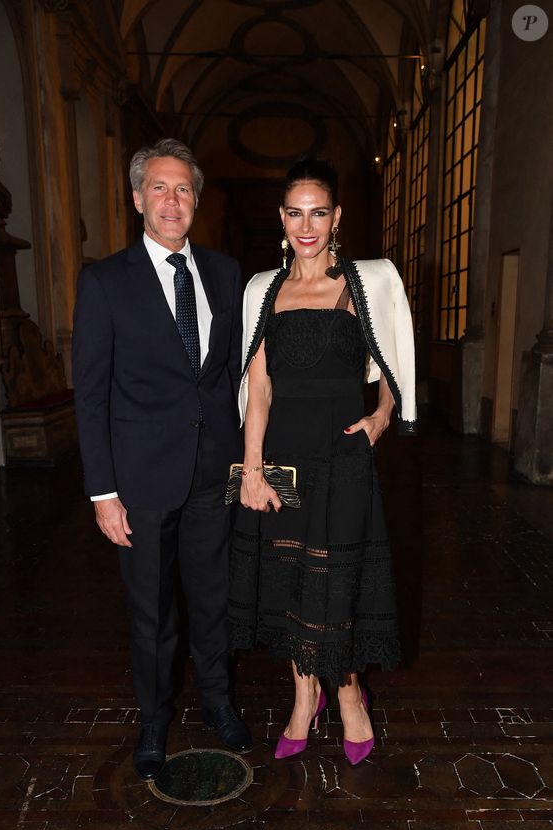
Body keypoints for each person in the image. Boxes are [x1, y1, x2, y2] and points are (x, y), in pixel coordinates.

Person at [72, 138, 252, 781]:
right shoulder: (104, 281)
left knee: (214, 599)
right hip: (140, 481)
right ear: (136, 197)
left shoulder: (226, 273)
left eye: (183, 190)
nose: (172, 201)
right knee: (152, 610)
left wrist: (247, 458)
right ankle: (153, 721)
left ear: (196, 200)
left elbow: (231, 373)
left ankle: (219, 703)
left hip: (214, 471)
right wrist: (103, 492)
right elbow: (90, 394)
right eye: (159, 188)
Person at [228, 156, 416, 766]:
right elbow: (258, 388)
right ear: (281, 218)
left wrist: (382, 418)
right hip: (283, 463)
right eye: (294, 212)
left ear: (337, 218)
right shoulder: (265, 289)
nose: (305, 225)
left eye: (318, 212)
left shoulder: (368, 282)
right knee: (289, 586)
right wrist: (252, 470)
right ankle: (302, 697)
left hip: (343, 458)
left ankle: (348, 692)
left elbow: (395, 362)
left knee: (337, 582)